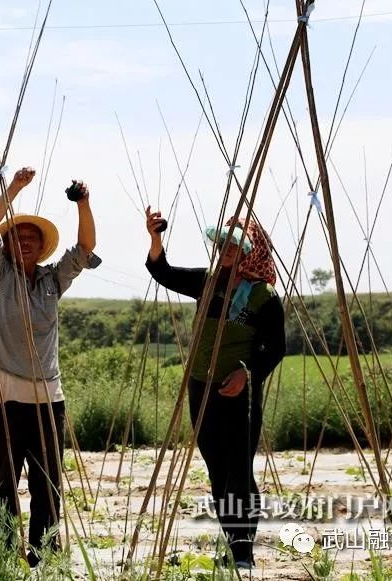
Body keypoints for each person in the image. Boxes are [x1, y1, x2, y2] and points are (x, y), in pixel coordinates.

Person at [144, 207, 285, 569]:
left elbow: (275, 348)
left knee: (239, 470)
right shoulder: (208, 283)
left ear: (252, 251)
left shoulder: (263, 297)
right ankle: (233, 542)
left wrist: (246, 373)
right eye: (222, 243)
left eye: (234, 246)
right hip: (201, 390)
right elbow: (162, 272)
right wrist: (155, 236)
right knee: (217, 470)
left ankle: (243, 554)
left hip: (239, 395)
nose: (225, 250)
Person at [0, 166, 100, 566]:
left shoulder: (51, 281)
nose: (25, 242)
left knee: (47, 483)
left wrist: (83, 203)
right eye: (19, 237)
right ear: (9, 245)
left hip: (48, 397)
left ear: (40, 248)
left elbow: (85, 248)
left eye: (32, 238)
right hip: (5, 395)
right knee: (4, 482)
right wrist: (14, 188)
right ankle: (4, 551)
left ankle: (44, 552)